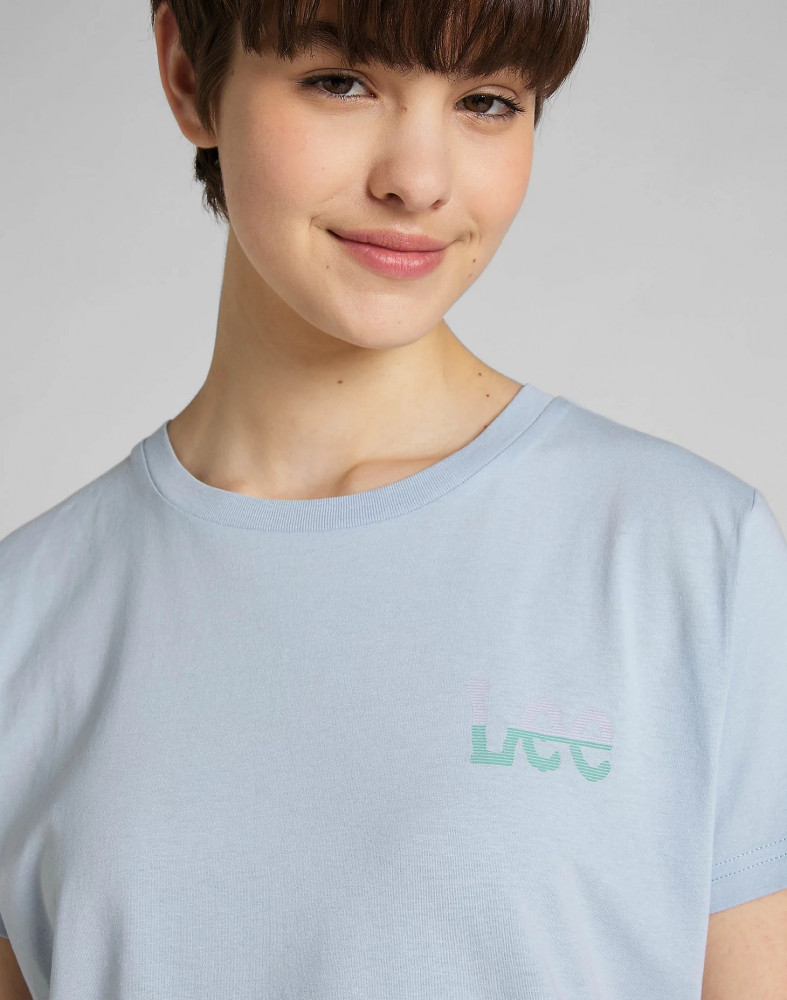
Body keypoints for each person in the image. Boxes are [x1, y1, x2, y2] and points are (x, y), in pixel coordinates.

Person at [1, 0, 785, 997]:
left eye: (487, 101)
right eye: (341, 82)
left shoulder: (690, 556)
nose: (417, 180)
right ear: (189, 74)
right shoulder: (25, 616)